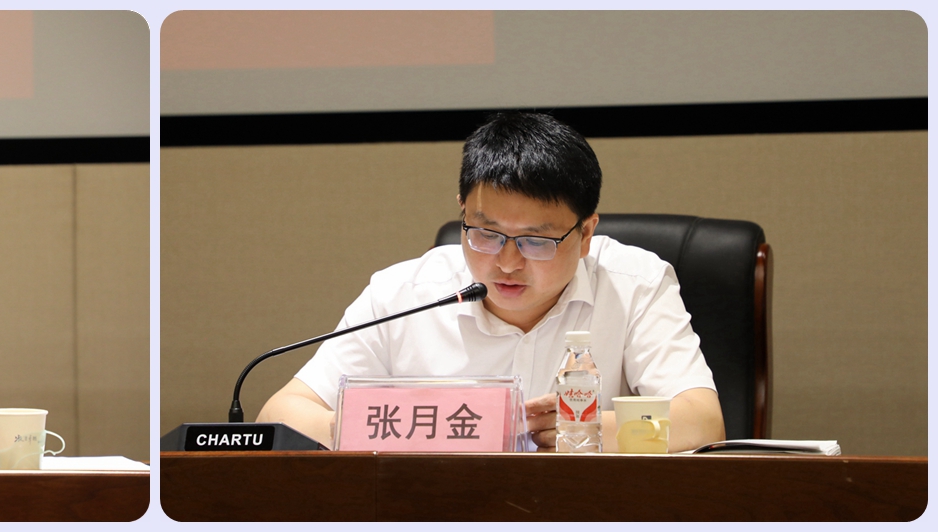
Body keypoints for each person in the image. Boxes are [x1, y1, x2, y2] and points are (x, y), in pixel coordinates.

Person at [257, 112, 725, 452]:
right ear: (463, 210)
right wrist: (391, 426)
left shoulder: (635, 283)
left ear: (585, 234)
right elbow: (281, 414)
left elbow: (702, 422)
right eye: (485, 234)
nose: (507, 262)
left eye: (536, 241)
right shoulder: (403, 294)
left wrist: (587, 430)